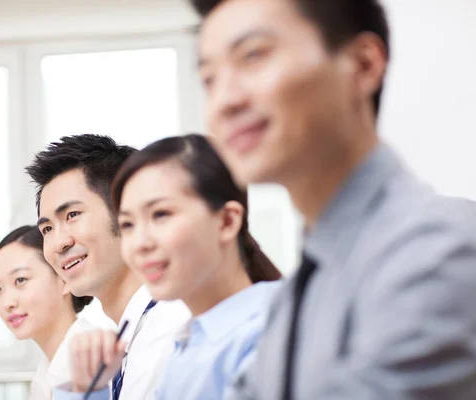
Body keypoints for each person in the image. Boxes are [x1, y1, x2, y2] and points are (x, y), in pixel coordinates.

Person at [192, 0, 476, 398]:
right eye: (209, 79)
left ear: (363, 65)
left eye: (253, 56)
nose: (224, 101)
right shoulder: (300, 292)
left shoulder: (437, 253)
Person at [25, 134, 191, 399]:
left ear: (127, 212)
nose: (58, 243)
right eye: (47, 228)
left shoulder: (171, 330)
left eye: (72, 215)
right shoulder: (128, 341)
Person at [0, 225, 95, 400]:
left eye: (20, 280)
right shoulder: (46, 371)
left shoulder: (92, 361)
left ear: (64, 279)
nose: (7, 303)